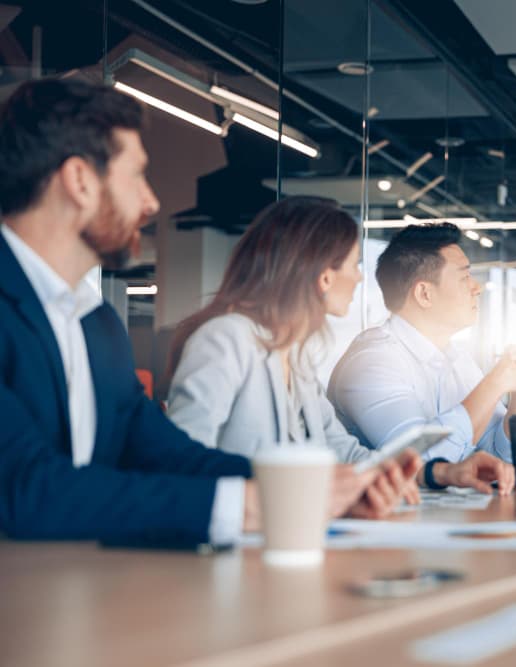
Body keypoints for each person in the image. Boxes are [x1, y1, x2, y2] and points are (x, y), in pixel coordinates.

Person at [0, 78, 409, 544]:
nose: (152, 201)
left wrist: (316, 490)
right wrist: (255, 507)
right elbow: (26, 489)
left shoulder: (97, 325)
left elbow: (171, 456)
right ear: (79, 181)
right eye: (136, 175)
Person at [165, 196, 421, 508]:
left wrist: (433, 473)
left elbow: (341, 449)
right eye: (354, 264)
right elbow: (180, 458)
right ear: (325, 276)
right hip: (234, 536)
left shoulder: (296, 358)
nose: (359, 277)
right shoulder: (226, 339)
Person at [329, 223, 516, 493]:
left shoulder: (456, 359)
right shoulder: (371, 361)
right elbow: (423, 461)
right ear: (424, 294)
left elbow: (501, 461)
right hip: (388, 525)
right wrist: (495, 384)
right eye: (465, 277)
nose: (477, 288)